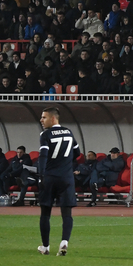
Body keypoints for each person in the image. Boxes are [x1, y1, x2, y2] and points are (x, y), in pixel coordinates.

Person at [37, 107, 79, 256]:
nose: (41, 120)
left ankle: (46, 247)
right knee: (67, 213)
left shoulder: (46, 134)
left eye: (44, 117)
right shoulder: (69, 132)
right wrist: (65, 163)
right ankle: (64, 243)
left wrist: (41, 175)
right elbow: (77, 152)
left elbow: (43, 155)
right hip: (67, 178)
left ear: (53, 118)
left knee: (45, 213)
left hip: (50, 177)